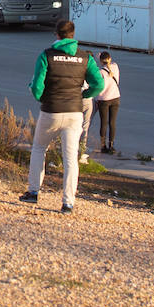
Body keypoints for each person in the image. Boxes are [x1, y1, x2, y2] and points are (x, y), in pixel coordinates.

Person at [20, 19, 104, 214]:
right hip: (74, 113)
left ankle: (33, 192)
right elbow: (98, 85)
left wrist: (42, 98)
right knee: (70, 158)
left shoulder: (46, 56)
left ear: (56, 34)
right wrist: (83, 96)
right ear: (73, 35)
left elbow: (37, 86)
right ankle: (68, 203)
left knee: (39, 148)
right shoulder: (85, 58)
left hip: (51, 110)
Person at [95, 51, 121, 155]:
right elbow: (109, 63)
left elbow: (99, 87)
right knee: (112, 123)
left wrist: (97, 99)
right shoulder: (115, 67)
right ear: (110, 59)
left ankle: (103, 146)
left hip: (104, 99)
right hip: (115, 97)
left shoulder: (100, 72)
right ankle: (111, 145)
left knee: (103, 123)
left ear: (100, 61)